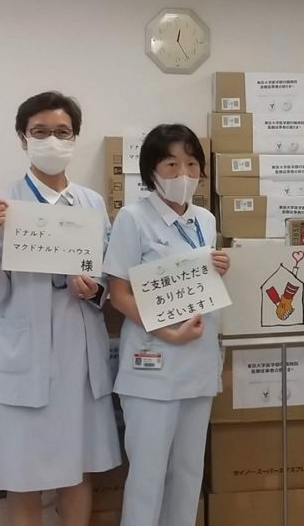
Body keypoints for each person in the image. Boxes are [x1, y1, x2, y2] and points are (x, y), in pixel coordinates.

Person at [0, 91, 120, 526]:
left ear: (74, 139)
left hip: (79, 353)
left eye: (62, 132)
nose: (51, 141)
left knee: (78, 467)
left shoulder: (92, 204)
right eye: (40, 132)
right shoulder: (6, 205)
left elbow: (108, 281)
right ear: (23, 138)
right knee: (23, 474)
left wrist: (94, 288)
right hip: (26, 354)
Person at [103, 124, 229, 526]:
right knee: (147, 476)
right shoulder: (132, 218)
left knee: (188, 473)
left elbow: (195, 282)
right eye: (171, 164)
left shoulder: (205, 220)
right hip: (152, 362)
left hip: (198, 362)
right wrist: (168, 332)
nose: (183, 174)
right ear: (151, 170)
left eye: (192, 164)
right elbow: (119, 294)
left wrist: (218, 268)